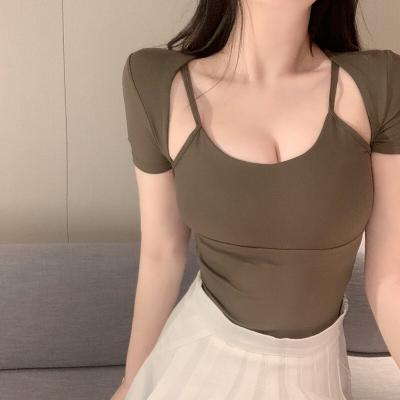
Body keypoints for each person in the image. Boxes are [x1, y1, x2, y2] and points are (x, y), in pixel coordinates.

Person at [113, 0, 400, 399]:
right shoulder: (155, 83)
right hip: (196, 369)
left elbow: (390, 276)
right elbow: (161, 254)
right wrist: (131, 384)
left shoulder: (381, 84)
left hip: (317, 377)